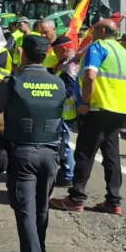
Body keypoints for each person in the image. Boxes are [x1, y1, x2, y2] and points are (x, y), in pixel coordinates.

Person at [0, 35, 66, 252]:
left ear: (23, 54)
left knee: (25, 213)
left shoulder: (14, 82)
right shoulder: (58, 83)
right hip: (50, 153)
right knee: (41, 209)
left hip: (22, 153)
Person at [51, 19, 126, 214]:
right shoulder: (125, 53)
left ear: (104, 30)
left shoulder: (97, 47)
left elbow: (90, 76)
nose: (91, 32)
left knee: (85, 152)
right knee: (112, 154)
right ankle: (114, 201)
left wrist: (86, 103)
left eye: (94, 29)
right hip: (119, 109)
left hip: (97, 107)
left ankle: (76, 198)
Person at [51, 35, 80, 186]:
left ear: (63, 49)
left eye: (55, 51)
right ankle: (66, 173)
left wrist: (53, 97)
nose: (54, 53)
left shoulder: (69, 66)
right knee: (62, 144)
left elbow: (69, 90)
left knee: (64, 145)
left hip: (64, 111)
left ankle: (68, 175)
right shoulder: (67, 63)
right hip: (65, 111)